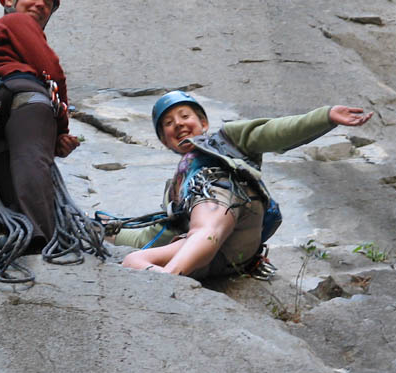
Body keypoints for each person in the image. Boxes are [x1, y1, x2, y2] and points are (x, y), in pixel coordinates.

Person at [115, 91, 373, 279]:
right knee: (133, 259)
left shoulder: (227, 140)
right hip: (212, 258)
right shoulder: (175, 189)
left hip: (236, 221)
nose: (179, 123)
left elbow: (274, 132)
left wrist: (324, 116)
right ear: (165, 141)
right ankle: (168, 275)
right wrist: (99, 229)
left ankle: (168, 278)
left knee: (208, 194)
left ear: (204, 124)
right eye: (169, 124)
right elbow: (150, 235)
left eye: (184, 116)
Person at [0, 0, 80, 251]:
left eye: (47, 4)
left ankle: (12, 227)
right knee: (30, 159)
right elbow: (52, 71)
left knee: (0, 160)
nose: (40, 5)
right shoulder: (18, 22)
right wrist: (61, 129)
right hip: (25, 97)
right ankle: (39, 234)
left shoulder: (1, 31)